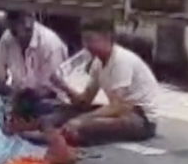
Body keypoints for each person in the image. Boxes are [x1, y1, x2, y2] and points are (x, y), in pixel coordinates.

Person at [49, 18, 160, 146]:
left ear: (107, 38)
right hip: (120, 111)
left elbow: (118, 107)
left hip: (140, 118)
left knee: (80, 126)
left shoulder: (121, 60)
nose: (86, 46)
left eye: (91, 40)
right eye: (84, 40)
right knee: (61, 115)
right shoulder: (97, 63)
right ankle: (57, 133)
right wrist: (62, 86)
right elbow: (84, 102)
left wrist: (82, 120)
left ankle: (60, 137)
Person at [0, 10, 70, 97]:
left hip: (47, 101)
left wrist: (25, 97)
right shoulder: (8, 37)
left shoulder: (51, 44)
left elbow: (55, 89)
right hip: (17, 99)